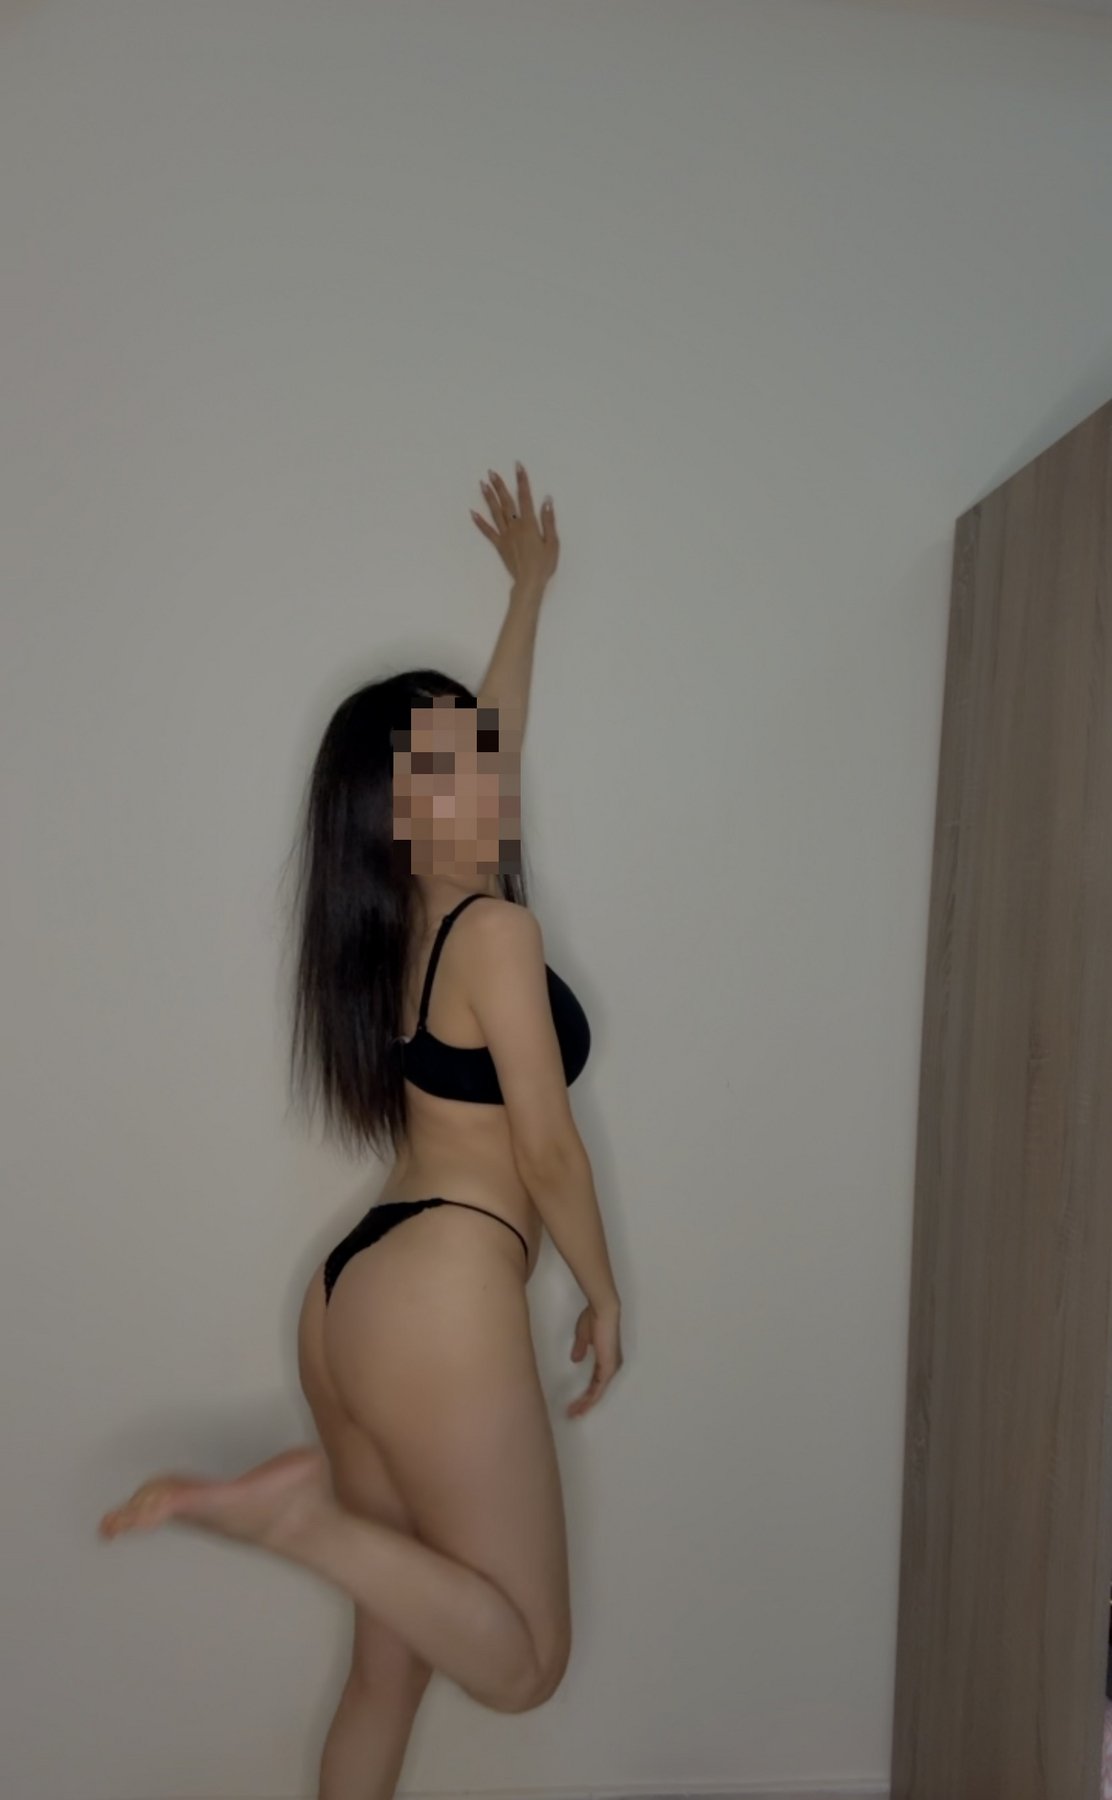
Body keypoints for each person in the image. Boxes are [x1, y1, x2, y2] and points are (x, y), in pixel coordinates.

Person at [98, 462, 623, 1799]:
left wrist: (528, 592)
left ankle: (308, 1525)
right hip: (442, 1289)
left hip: (352, 1298)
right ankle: (300, 1523)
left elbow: (489, 743)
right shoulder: (494, 934)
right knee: (524, 1665)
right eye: (452, 763)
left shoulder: (410, 933)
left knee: (386, 1672)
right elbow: (548, 1151)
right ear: (406, 810)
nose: (487, 764)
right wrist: (606, 1286)